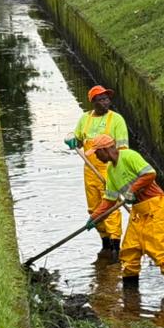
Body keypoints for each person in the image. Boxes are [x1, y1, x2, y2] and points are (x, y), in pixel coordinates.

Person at [85, 135, 164, 294]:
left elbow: (150, 174)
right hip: (138, 211)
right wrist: (95, 217)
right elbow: (109, 200)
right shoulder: (110, 170)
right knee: (129, 252)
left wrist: (132, 190)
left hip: (156, 206)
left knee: (160, 251)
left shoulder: (129, 156)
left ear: (105, 150)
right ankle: (130, 299)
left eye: (97, 153)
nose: (96, 156)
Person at [65, 85, 128, 256]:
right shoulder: (84, 119)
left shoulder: (116, 120)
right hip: (90, 171)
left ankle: (116, 245)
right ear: (93, 102)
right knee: (94, 209)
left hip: (109, 170)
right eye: (101, 100)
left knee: (111, 207)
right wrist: (72, 140)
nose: (105, 102)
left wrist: (119, 173)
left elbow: (122, 149)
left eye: (107, 99)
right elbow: (78, 140)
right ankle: (105, 242)